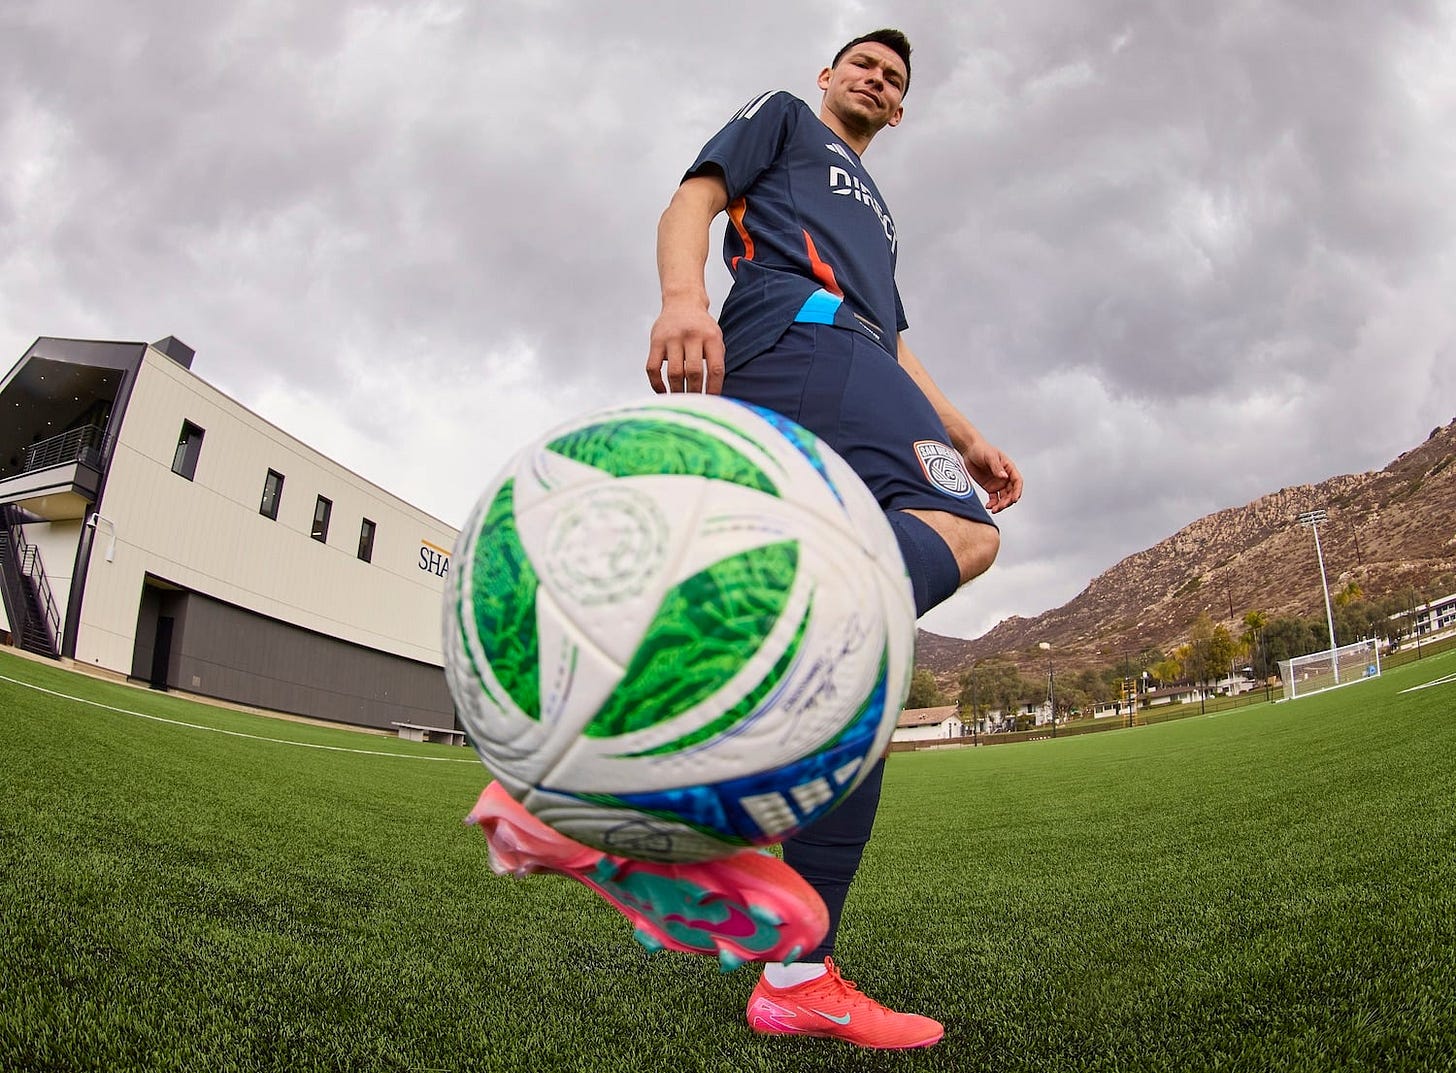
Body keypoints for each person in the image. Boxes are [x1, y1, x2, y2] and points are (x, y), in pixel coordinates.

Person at [471, 28, 1021, 1052]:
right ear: (829, 76)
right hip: (798, 334)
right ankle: (613, 764)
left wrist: (965, 433)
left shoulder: (879, 217)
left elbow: (894, 342)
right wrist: (684, 300)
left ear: (902, 111)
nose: (876, 78)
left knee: (860, 672)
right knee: (958, 533)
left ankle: (796, 973)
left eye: (894, 79)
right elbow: (692, 200)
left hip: (856, 354)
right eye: (863, 64)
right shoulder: (785, 118)